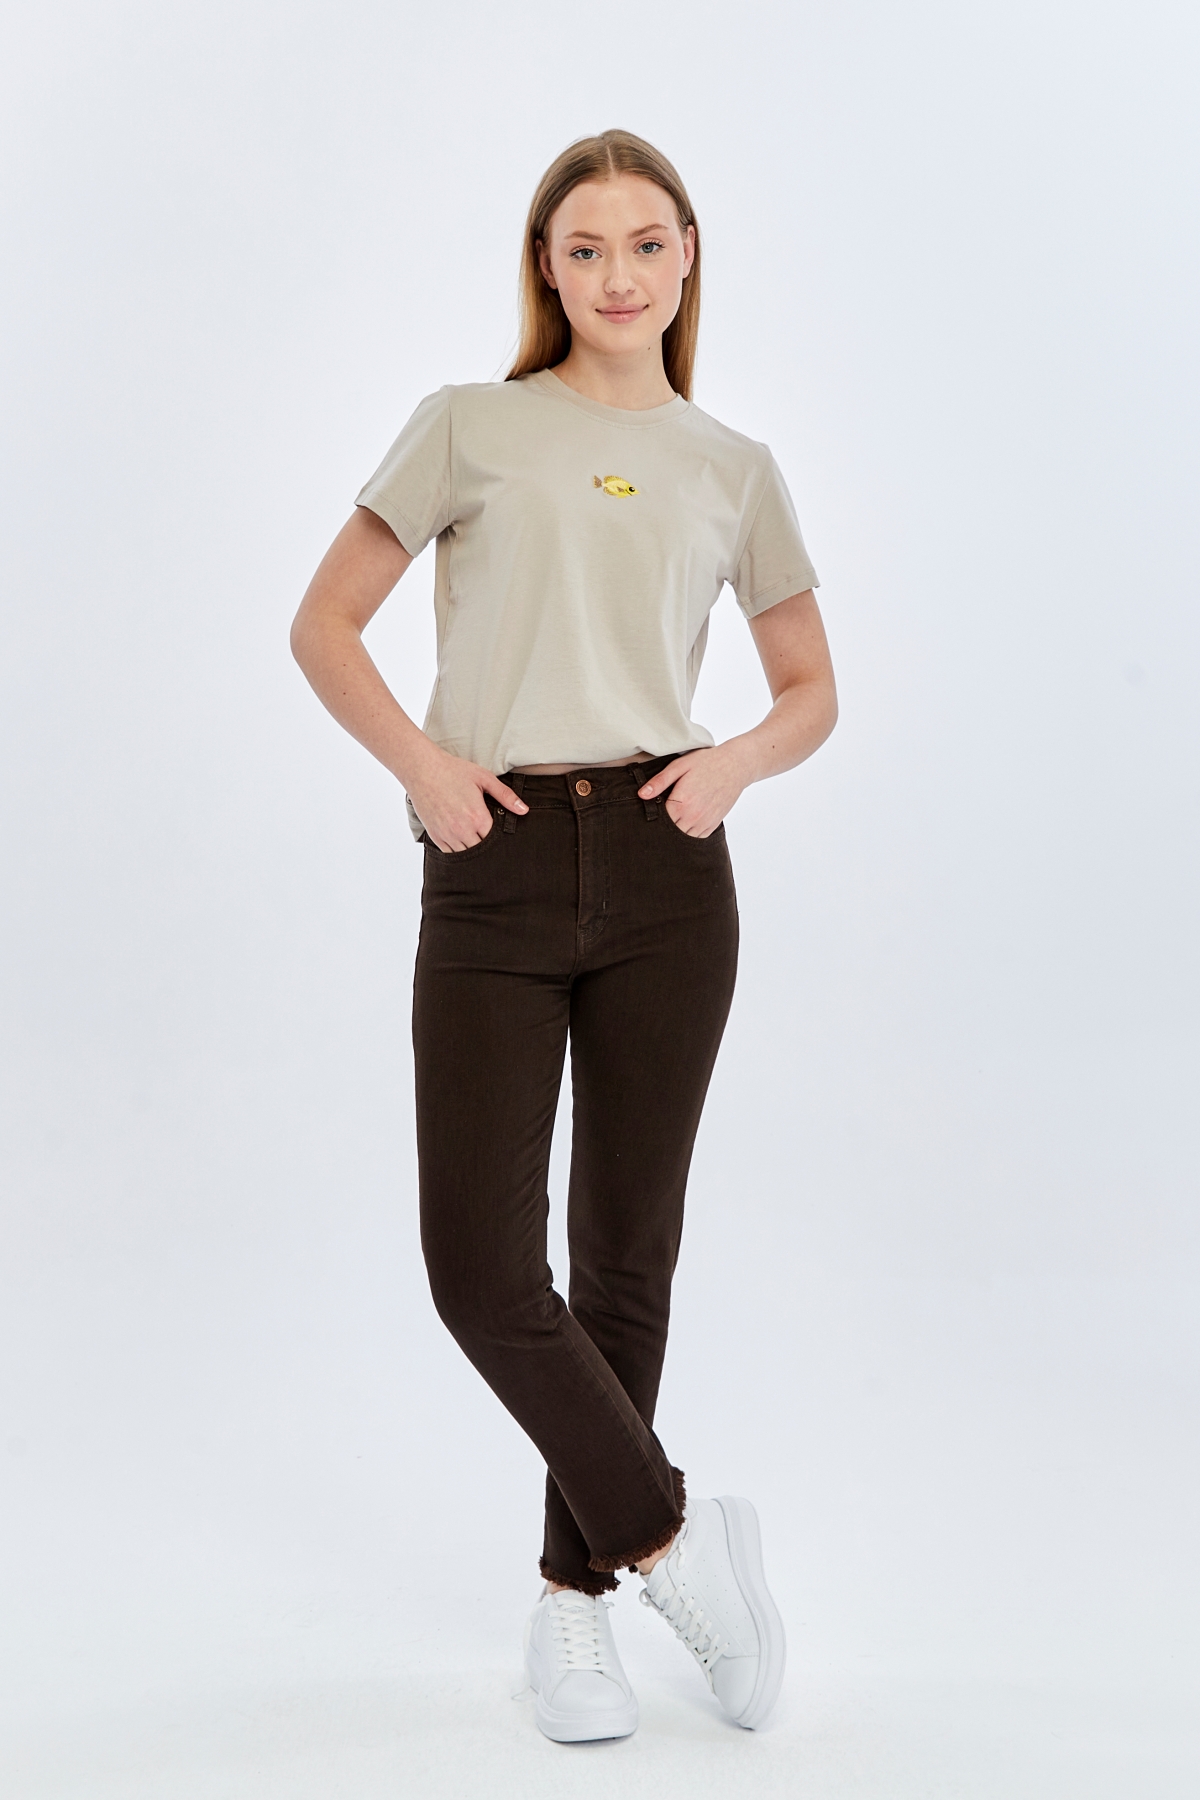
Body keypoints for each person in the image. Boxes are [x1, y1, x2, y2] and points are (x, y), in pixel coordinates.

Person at [290, 128, 837, 1743]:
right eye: (585, 246)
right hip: (498, 856)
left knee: (623, 1258)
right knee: (479, 1267)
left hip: (670, 866)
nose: (618, 275)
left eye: (647, 243)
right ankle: (676, 1539)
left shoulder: (732, 465)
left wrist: (733, 765)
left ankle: (573, 1603)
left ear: (688, 257)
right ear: (547, 264)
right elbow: (324, 622)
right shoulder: (469, 425)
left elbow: (812, 689)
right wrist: (424, 768)